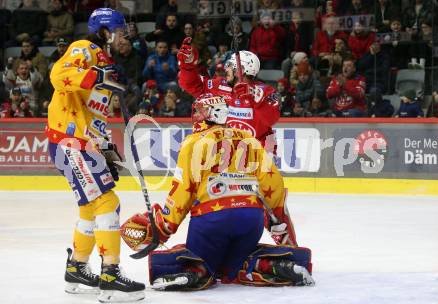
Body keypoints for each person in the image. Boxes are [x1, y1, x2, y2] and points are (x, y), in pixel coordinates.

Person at [120, 93, 314, 291]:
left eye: (199, 111)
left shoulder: (193, 142)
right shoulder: (250, 139)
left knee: (198, 259)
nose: (195, 115)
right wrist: (280, 227)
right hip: (250, 219)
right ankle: (271, 265)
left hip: (212, 218)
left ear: (212, 113)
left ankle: (195, 272)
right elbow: (274, 186)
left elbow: (182, 192)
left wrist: (163, 227)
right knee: (237, 264)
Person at [45, 8, 145, 303]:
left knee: (91, 208)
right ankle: (110, 276)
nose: (123, 36)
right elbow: (58, 75)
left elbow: (95, 117)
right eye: (118, 30)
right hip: (69, 139)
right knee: (108, 202)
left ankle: (77, 268)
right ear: (104, 32)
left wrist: (104, 148)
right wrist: (95, 74)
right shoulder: (84, 49)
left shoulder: (106, 63)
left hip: (84, 142)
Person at [177, 37, 280, 153]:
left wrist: (253, 97)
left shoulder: (264, 91)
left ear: (242, 69)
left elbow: (272, 119)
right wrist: (187, 67)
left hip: (258, 155)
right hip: (229, 155)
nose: (226, 68)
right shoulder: (218, 85)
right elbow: (191, 85)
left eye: (230, 65)